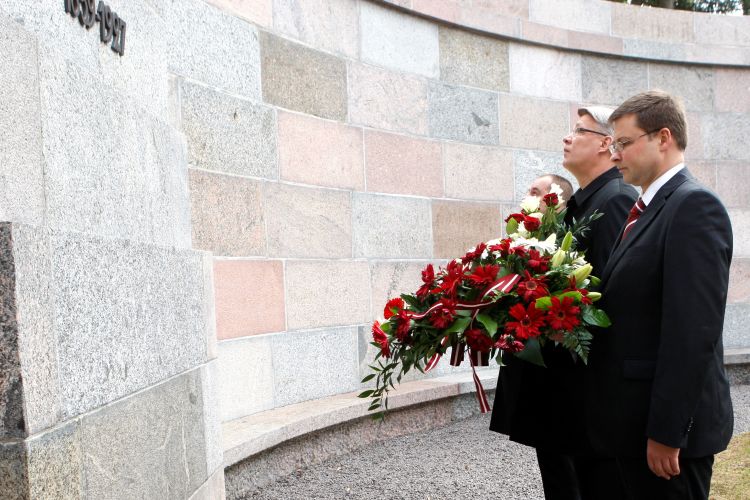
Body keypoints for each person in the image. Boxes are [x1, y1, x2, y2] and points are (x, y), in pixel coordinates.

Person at [580, 91, 733, 500]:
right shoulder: (647, 208)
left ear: (663, 137)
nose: (615, 154)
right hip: (632, 423)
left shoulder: (694, 206)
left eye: (624, 143)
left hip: (665, 439)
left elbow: (693, 332)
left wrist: (667, 432)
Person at [490, 106, 637, 500]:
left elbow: (607, 293)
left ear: (606, 144)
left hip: (581, 387)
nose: (567, 138)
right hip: (562, 382)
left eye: (579, 131)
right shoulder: (587, 200)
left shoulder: (615, 199)